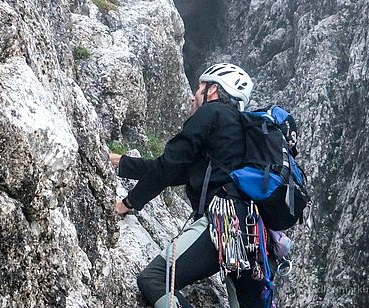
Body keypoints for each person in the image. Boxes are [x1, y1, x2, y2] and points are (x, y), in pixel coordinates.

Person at [109, 63, 274, 308]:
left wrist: (127, 203)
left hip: (225, 223)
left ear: (214, 91)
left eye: (199, 87)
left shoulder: (211, 114)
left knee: (155, 279)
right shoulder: (234, 130)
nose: (193, 95)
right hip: (253, 235)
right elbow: (178, 170)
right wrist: (123, 163)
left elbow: (168, 166)